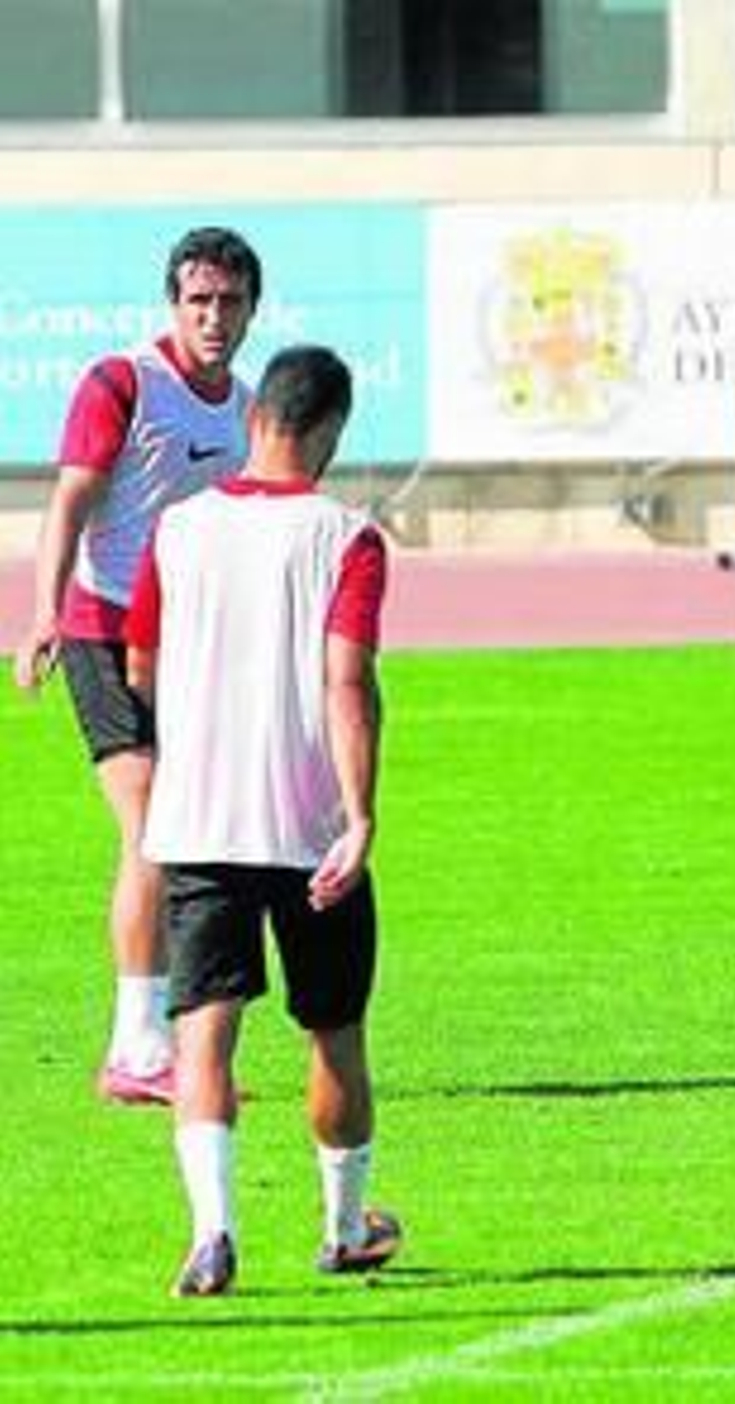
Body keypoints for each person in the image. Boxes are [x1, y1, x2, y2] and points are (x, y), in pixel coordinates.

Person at [124, 344, 400, 1297]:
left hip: (197, 820)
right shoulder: (347, 537)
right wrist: (359, 815)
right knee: (332, 1031)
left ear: (255, 421)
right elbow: (345, 680)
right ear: (329, 430)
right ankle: (343, 1225)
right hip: (307, 826)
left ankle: (211, 1234)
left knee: (204, 1032)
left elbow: (140, 667)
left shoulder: (178, 529)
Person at [12, 226, 262, 1105]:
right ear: (173, 306)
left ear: (251, 310)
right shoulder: (122, 383)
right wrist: (41, 610)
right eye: (199, 300)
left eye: (229, 301)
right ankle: (136, 1047)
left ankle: (167, 1037)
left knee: (194, 835)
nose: (213, 317)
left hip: (186, 644)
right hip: (100, 629)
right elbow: (71, 498)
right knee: (153, 827)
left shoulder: (246, 408)